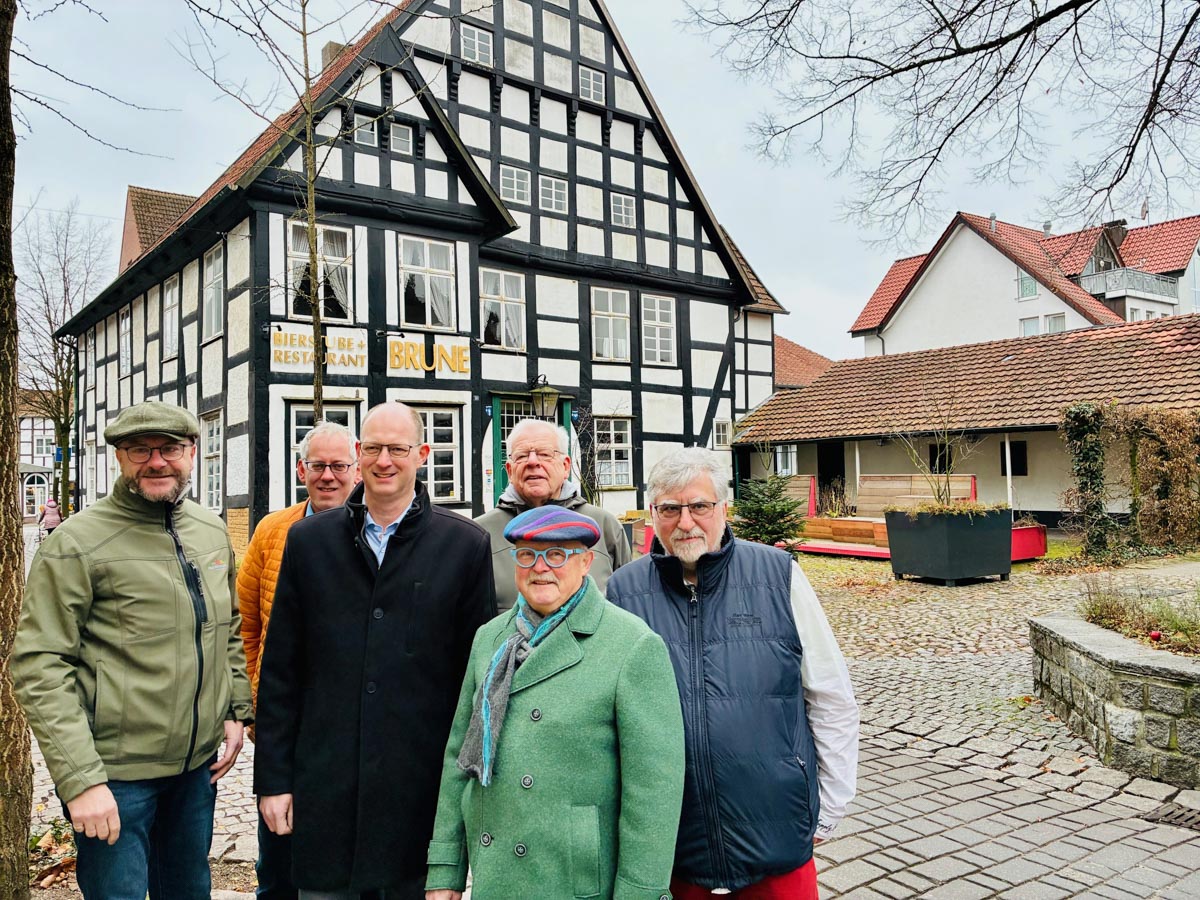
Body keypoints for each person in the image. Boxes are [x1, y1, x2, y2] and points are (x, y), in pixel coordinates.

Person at [254, 401, 496, 900]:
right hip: (325, 788)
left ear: (422, 454)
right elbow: (280, 670)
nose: (385, 461)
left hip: (416, 791)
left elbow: (475, 683)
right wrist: (273, 780)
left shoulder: (464, 546)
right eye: (374, 448)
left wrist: (463, 797)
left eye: (398, 449)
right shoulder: (308, 542)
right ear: (359, 454)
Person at [14, 400, 253, 900]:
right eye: (140, 450)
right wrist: (81, 780)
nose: (157, 461)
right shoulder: (77, 543)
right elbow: (39, 665)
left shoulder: (209, 531)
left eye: (170, 448)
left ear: (192, 452)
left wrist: (233, 710)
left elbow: (225, 628)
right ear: (120, 458)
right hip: (115, 780)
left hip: (195, 775)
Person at [606, 447, 859, 900]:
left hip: (776, 834)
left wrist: (830, 804)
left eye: (700, 506)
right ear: (652, 514)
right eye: (670, 509)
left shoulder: (778, 576)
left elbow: (829, 694)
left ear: (725, 508)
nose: (685, 522)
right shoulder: (625, 591)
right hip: (673, 845)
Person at [425, 506, 684, 900]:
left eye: (557, 554)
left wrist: (641, 893)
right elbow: (459, 756)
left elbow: (653, 793)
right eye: (527, 555)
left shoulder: (632, 645)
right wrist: (445, 869)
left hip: (575, 878)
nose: (540, 567)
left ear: (585, 563)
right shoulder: (490, 640)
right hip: (496, 873)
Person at [237, 420, 360, 900]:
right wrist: (256, 698)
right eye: (317, 466)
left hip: (347, 726)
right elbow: (245, 624)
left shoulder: (376, 532)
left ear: (357, 469)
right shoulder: (273, 531)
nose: (328, 476)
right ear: (300, 469)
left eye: (339, 466)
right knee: (279, 860)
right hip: (286, 725)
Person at [476, 418, 632, 612]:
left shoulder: (604, 526)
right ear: (509, 470)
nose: (533, 462)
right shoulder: (480, 534)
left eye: (545, 454)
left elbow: (629, 602)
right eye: (522, 455)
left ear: (566, 466)